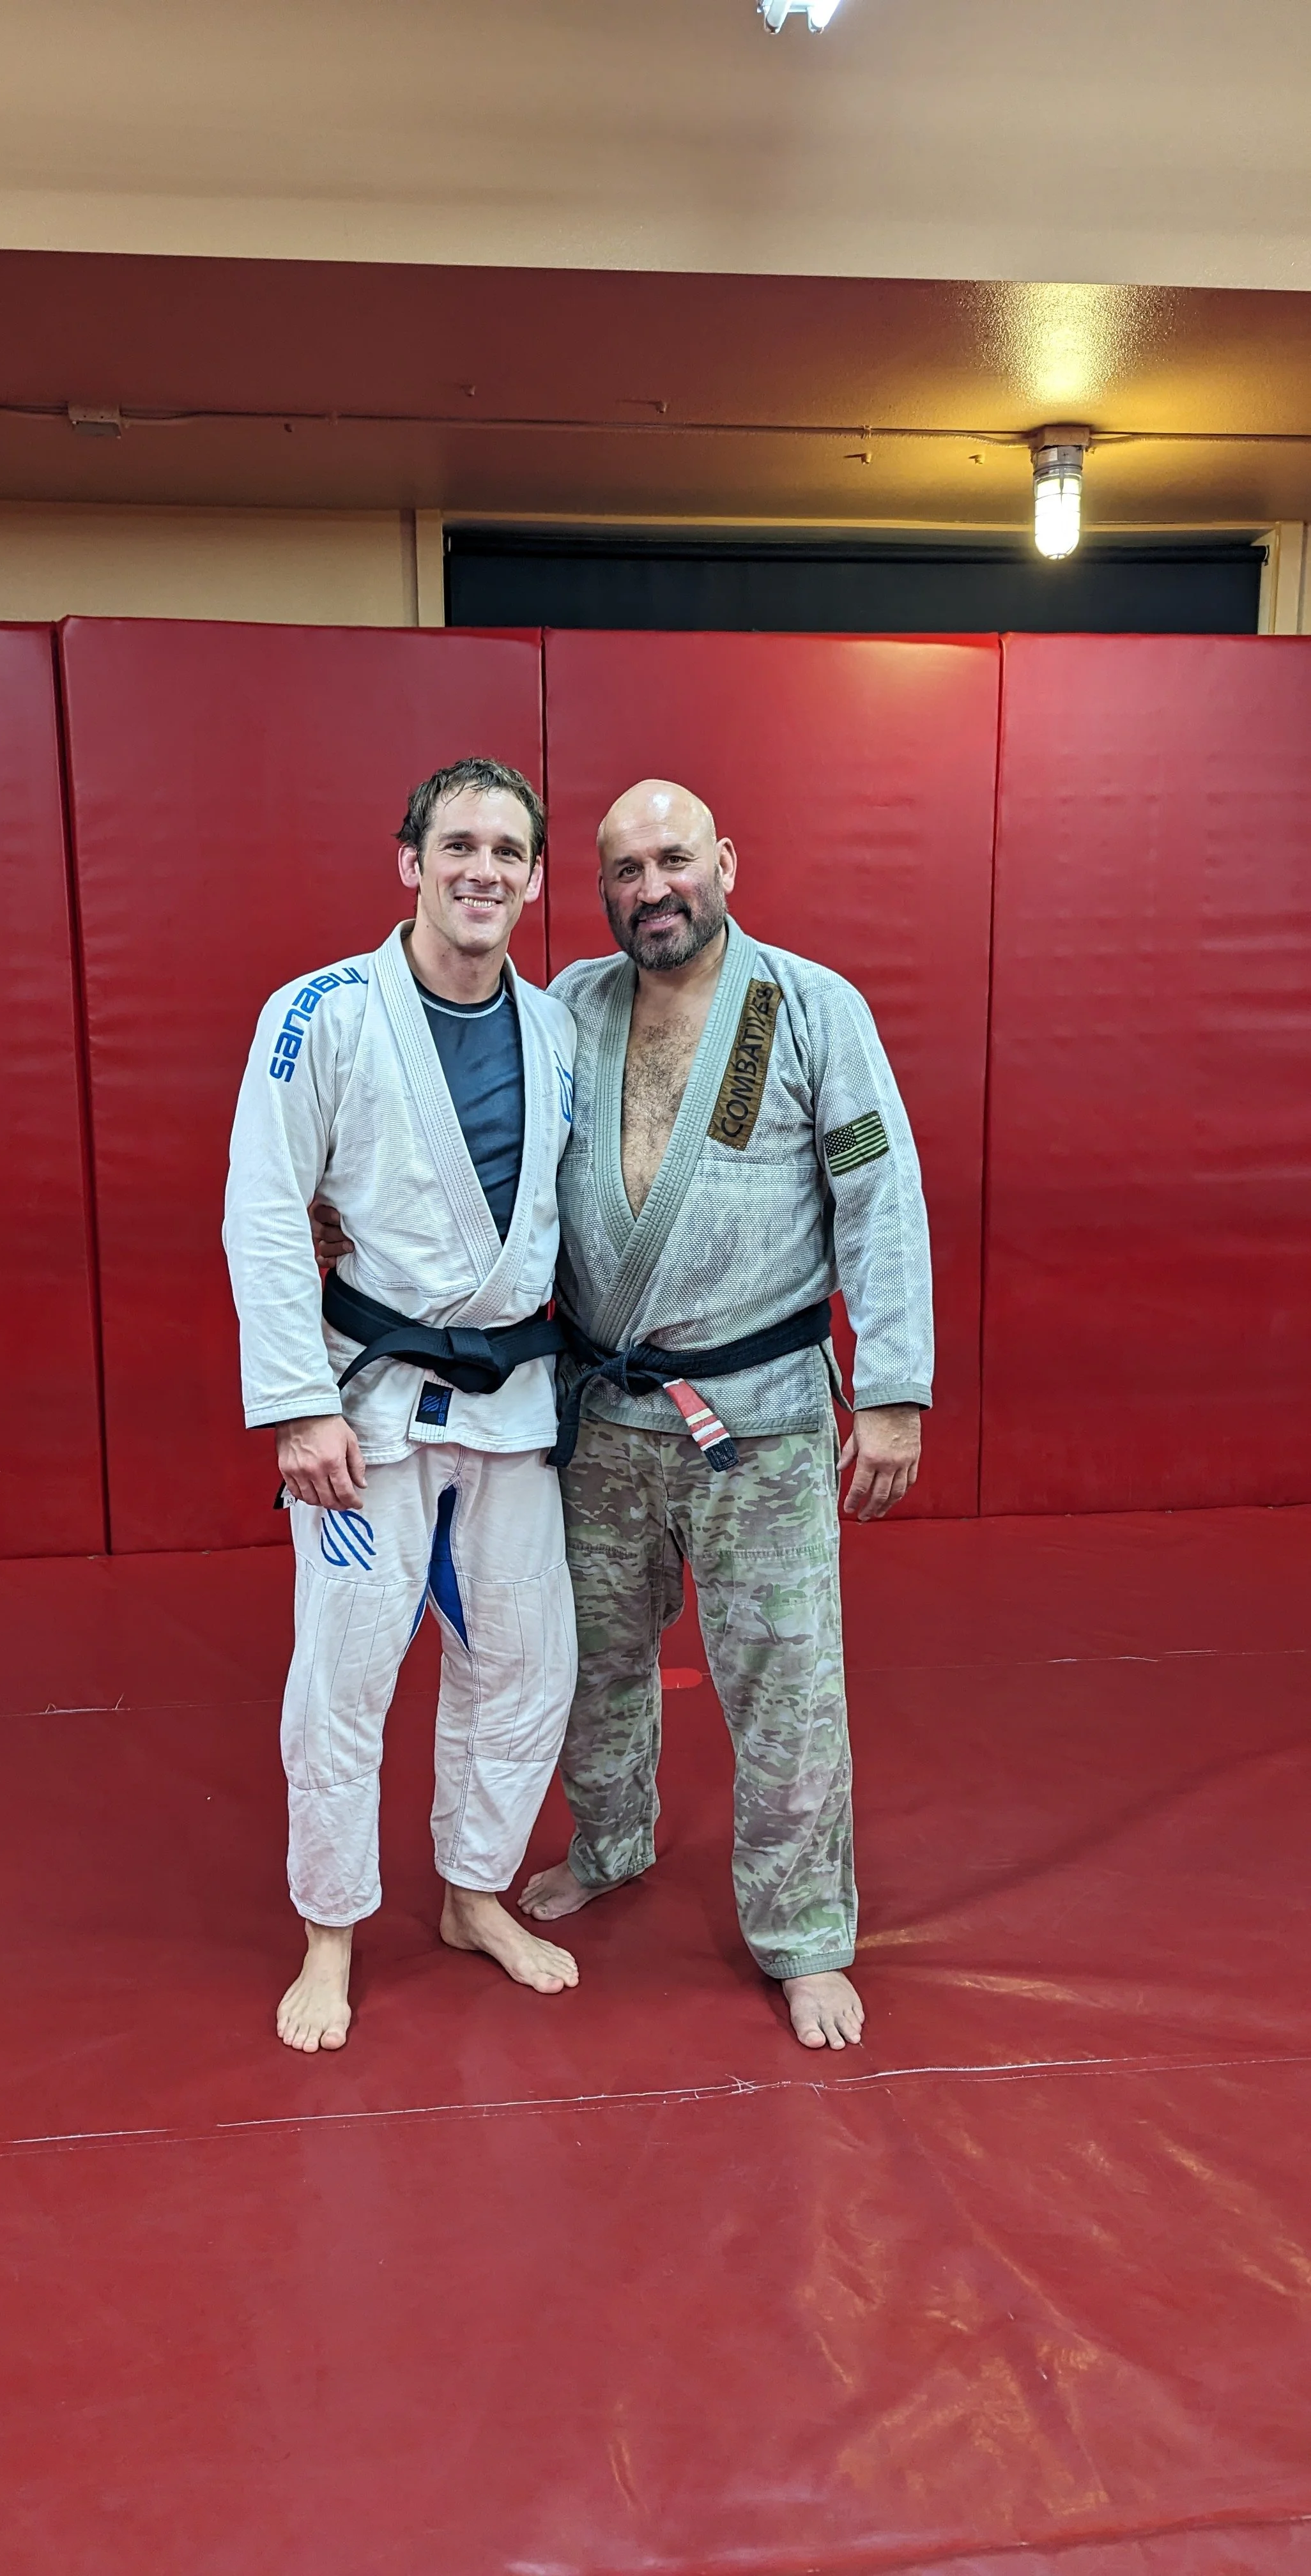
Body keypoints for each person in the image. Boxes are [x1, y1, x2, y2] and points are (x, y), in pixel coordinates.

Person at [517, 780, 932, 2052]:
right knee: (590, 1663)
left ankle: (805, 1932)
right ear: (602, 890)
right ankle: (612, 1838)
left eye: (675, 859)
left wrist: (899, 1391)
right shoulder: (569, 1009)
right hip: (599, 1411)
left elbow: (879, 1200)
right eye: (627, 869)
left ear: (727, 863)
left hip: (763, 1419)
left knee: (787, 1682)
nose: (654, 887)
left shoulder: (810, 1010)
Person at [224, 757, 581, 2054]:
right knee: (347, 1670)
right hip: (366, 1407)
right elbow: (266, 1211)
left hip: (516, 1399)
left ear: (536, 880)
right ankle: (330, 1930)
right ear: (409, 861)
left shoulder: (558, 1029)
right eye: (459, 845)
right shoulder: (317, 1013)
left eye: (508, 851)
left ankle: (473, 1893)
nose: (482, 869)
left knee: (527, 1660)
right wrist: (296, 1404)